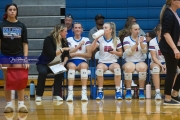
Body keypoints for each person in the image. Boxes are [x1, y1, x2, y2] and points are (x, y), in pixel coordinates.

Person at [0, 3, 29, 113]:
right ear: (6, 11)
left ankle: (21, 104)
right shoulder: (1, 25)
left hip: (18, 56)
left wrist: (25, 58)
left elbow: (25, 44)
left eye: (14, 9)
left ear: (17, 12)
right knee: (7, 80)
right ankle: (9, 105)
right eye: (10, 9)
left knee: (19, 79)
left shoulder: (21, 26)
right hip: (5, 55)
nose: (12, 11)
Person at [36, 24, 70, 102]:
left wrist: (64, 63)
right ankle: (39, 95)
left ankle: (56, 95)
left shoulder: (64, 41)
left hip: (55, 64)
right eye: (65, 31)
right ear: (60, 32)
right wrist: (62, 49)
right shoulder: (49, 39)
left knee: (60, 71)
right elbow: (51, 53)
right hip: (44, 63)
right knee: (42, 72)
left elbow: (67, 54)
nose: (67, 33)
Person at [91, 22, 123, 100]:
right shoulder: (101, 39)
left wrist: (114, 52)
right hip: (102, 62)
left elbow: (121, 53)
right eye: (103, 27)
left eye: (105, 28)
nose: (103, 29)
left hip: (113, 62)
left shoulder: (116, 39)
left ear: (110, 30)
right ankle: (100, 91)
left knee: (117, 69)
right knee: (99, 70)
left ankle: (118, 91)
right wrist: (95, 40)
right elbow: (91, 49)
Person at [159, 0, 180, 105]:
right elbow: (166, 34)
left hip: (176, 46)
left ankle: (175, 93)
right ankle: (167, 98)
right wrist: (175, 49)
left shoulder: (174, 13)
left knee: (173, 71)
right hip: (170, 48)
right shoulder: (168, 14)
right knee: (171, 72)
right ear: (173, 1)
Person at [66, 22, 92, 102]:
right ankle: (70, 93)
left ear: (82, 29)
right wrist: (78, 48)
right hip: (71, 61)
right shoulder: (68, 40)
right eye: (76, 28)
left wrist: (76, 54)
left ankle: (84, 93)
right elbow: (68, 54)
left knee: (84, 66)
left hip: (82, 61)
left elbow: (89, 55)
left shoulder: (86, 40)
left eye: (79, 28)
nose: (77, 29)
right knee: (72, 67)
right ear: (73, 29)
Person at [123, 23, 148, 100]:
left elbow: (145, 51)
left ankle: (141, 91)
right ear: (131, 30)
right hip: (129, 61)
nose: (137, 31)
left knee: (143, 68)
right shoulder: (126, 39)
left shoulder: (142, 38)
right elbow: (127, 52)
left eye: (138, 29)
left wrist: (141, 43)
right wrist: (136, 44)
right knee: (128, 68)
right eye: (135, 29)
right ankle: (128, 91)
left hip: (140, 61)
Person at [149, 24, 165, 100]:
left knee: (175, 69)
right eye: (163, 31)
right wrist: (161, 65)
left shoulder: (168, 40)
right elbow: (154, 57)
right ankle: (157, 92)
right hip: (155, 62)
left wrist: (166, 64)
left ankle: (172, 91)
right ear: (158, 32)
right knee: (155, 69)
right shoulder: (152, 41)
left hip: (166, 62)